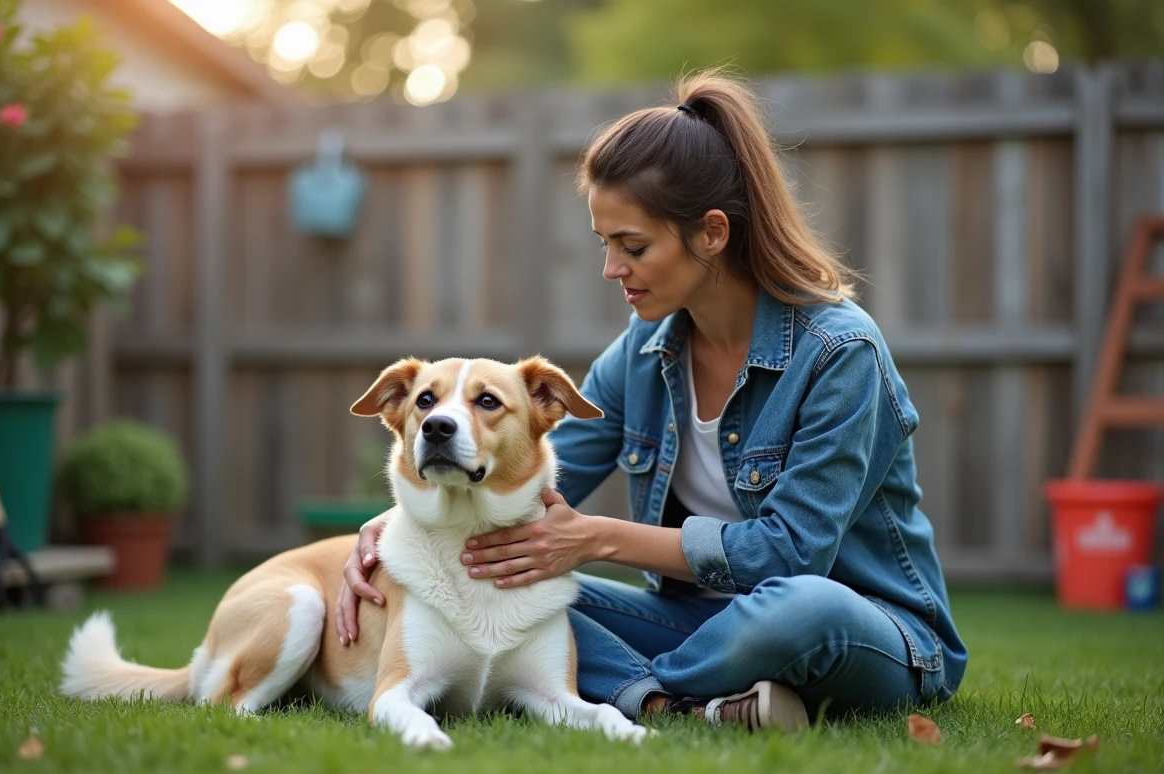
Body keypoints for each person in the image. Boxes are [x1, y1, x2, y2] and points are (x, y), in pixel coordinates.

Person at [334, 68, 967, 732]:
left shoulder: (840, 354)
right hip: (694, 618)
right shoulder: (645, 349)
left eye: (632, 246)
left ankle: (644, 687)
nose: (612, 269)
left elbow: (789, 554)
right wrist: (397, 533)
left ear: (713, 233)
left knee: (802, 608)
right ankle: (689, 703)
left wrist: (598, 539)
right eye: (605, 244)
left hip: (864, 628)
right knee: (502, 587)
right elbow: (523, 466)